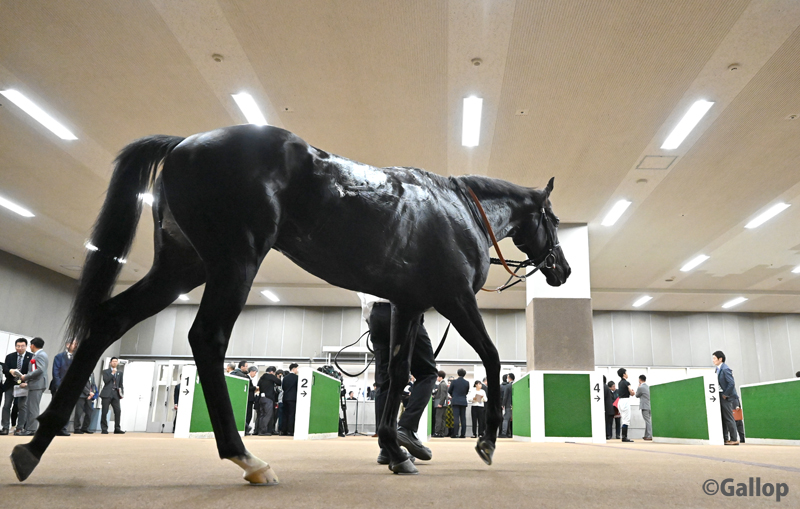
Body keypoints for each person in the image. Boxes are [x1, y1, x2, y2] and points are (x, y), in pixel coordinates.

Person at [360, 293, 436, 463]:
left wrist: (372, 321)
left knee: (384, 383)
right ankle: (407, 427)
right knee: (427, 373)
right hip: (403, 310)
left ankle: (387, 447)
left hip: (376, 316)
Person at [17, 337, 48, 436]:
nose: (30, 347)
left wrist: (25, 377)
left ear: (33, 345)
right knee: (31, 407)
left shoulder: (41, 355)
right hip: (35, 384)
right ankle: (30, 429)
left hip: (37, 384)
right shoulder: (38, 355)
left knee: (32, 408)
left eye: (30, 345)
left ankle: (31, 429)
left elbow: (39, 370)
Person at [2, 338, 32, 435]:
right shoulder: (10, 356)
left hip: (23, 385)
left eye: (22, 346)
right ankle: (5, 427)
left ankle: (20, 428)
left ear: (26, 346)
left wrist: (26, 382)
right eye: (18, 346)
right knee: (6, 405)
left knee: (22, 406)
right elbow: (5, 370)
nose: (20, 348)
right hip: (10, 384)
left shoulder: (31, 357)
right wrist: (11, 371)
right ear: (15, 346)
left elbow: (32, 372)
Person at [712, 350, 740, 446]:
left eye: (714, 358)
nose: (713, 360)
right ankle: (725, 438)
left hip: (725, 397)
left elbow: (731, 383)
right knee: (723, 418)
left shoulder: (725, 369)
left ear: (720, 359)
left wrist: (725, 395)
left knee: (728, 417)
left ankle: (734, 438)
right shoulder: (717, 369)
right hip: (720, 395)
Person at [51, 339, 77, 436]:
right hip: (59, 386)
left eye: (76, 344)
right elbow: (56, 373)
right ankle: (54, 428)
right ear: (67, 345)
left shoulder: (77, 357)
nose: (75, 345)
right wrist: (58, 386)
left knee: (67, 408)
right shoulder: (59, 357)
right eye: (73, 343)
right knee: (56, 408)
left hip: (71, 387)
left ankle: (63, 428)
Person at [100, 357, 125, 434]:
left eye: (116, 361)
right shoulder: (105, 372)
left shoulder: (120, 373)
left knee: (118, 411)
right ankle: (104, 429)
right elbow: (106, 381)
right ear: (110, 363)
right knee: (105, 411)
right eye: (113, 361)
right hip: (106, 394)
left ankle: (117, 428)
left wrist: (122, 393)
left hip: (116, 394)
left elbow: (120, 384)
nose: (114, 363)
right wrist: (112, 373)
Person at [256, 366, 280, 436]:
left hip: (261, 398)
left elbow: (258, 386)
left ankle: (260, 430)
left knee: (262, 415)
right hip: (268, 398)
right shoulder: (270, 376)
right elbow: (279, 382)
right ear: (272, 372)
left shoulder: (262, 377)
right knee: (267, 414)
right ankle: (264, 431)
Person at [448, 368, 469, 439]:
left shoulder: (454, 382)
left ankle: (455, 434)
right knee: (463, 418)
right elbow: (466, 391)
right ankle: (463, 434)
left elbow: (449, 390)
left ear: (458, 374)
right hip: (463, 401)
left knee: (456, 418)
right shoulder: (467, 382)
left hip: (455, 400)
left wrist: (453, 395)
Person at [617, 368, 634, 443]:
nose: (627, 374)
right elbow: (632, 393)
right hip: (625, 401)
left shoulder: (619, 383)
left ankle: (623, 436)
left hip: (620, 401)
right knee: (626, 420)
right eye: (626, 372)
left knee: (623, 419)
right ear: (624, 374)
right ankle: (624, 437)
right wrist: (633, 391)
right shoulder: (627, 383)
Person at [282, 363, 299, 436]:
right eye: (297, 368)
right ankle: (290, 431)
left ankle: (283, 431)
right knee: (291, 415)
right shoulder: (297, 378)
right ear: (294, 369)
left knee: (285, 414)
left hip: (285, 397)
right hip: (293, 398)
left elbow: (283, 387)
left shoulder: (285, 378)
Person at [432, 371, 449, 437]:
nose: (437, 378)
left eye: (437, 377)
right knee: (442, 419)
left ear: (440, 377)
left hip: (440, 404)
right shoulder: (443, 384)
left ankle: (437, 432)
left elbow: (443, 395)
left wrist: (440, 403)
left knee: (438, 418)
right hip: (443, 404)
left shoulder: (442, 384)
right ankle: (441, 432)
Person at [635, 374, 651, 441]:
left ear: (640, 380)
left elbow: (637, 395)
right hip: (649, 405)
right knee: (648, 420)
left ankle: (649, 435)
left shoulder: (641, 387)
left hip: (644, 406)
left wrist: (638, 387)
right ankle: (646, 435)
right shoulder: (648, 387)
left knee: (647, 421)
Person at [245, 366, 258, 435]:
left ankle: (246, 428)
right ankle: (246, 428)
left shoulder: (248, 378)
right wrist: (255, 387)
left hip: (250, 399)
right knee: (248, 414)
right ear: (251, 371)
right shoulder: (246, 378)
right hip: (249, 399)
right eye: (255, 373)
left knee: (249, 414)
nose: (255, 374)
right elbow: (249, 388)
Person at [501, 373, 515, 437]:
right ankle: (511, 433)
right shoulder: (516, 384)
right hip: (515, 405)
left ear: (509, 378)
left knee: (506, 419)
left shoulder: (508, 386)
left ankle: (504, 433)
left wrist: (503, 404)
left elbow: (505, 396)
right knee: (513, 420)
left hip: (508, 405)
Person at [603, 376, 614, 440]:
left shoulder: (603, 387)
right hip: (610, 408)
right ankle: (609, 435)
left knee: (607, 423)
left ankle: (608, 435)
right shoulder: (606, 387)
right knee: (609, 423)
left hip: (607, 409)